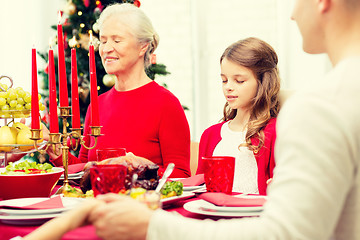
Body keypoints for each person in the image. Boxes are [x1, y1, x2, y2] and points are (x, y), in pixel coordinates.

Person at [21, 0, 360, 239]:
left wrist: (151, 223)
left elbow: (284, 232)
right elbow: (79, 169)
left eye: (116, 39)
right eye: (103, 40)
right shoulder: (330, 100)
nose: (291, 15)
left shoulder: (319, 108)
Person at [49, 3, 191, 178]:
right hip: (100, 204)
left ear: (143, 46)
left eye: (117, 40)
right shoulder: (97, 104)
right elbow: (85, 170)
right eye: (103, 40)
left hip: (141, 204)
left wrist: (141, 166)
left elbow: (181, 175)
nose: (107, 48)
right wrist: (57, 155)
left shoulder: (166, 104)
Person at [196, 37, 280, 195]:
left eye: (239, 81)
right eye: (224, 80)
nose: (228, 87)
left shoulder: (275, 132)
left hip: (255, 217)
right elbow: (198, 190)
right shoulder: (210, 135)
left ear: (263, 82)